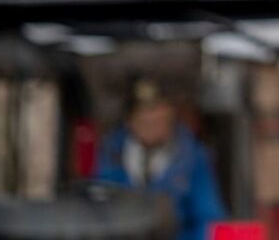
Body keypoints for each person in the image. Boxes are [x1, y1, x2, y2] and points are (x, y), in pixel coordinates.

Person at [97, 79, 226, 240]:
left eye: (159, 121)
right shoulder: (111, 153)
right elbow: (98, 209)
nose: (153, 128)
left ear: (171, 118)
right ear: (130, 122)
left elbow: (208, 217)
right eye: (145, 122)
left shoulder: (192, 156)